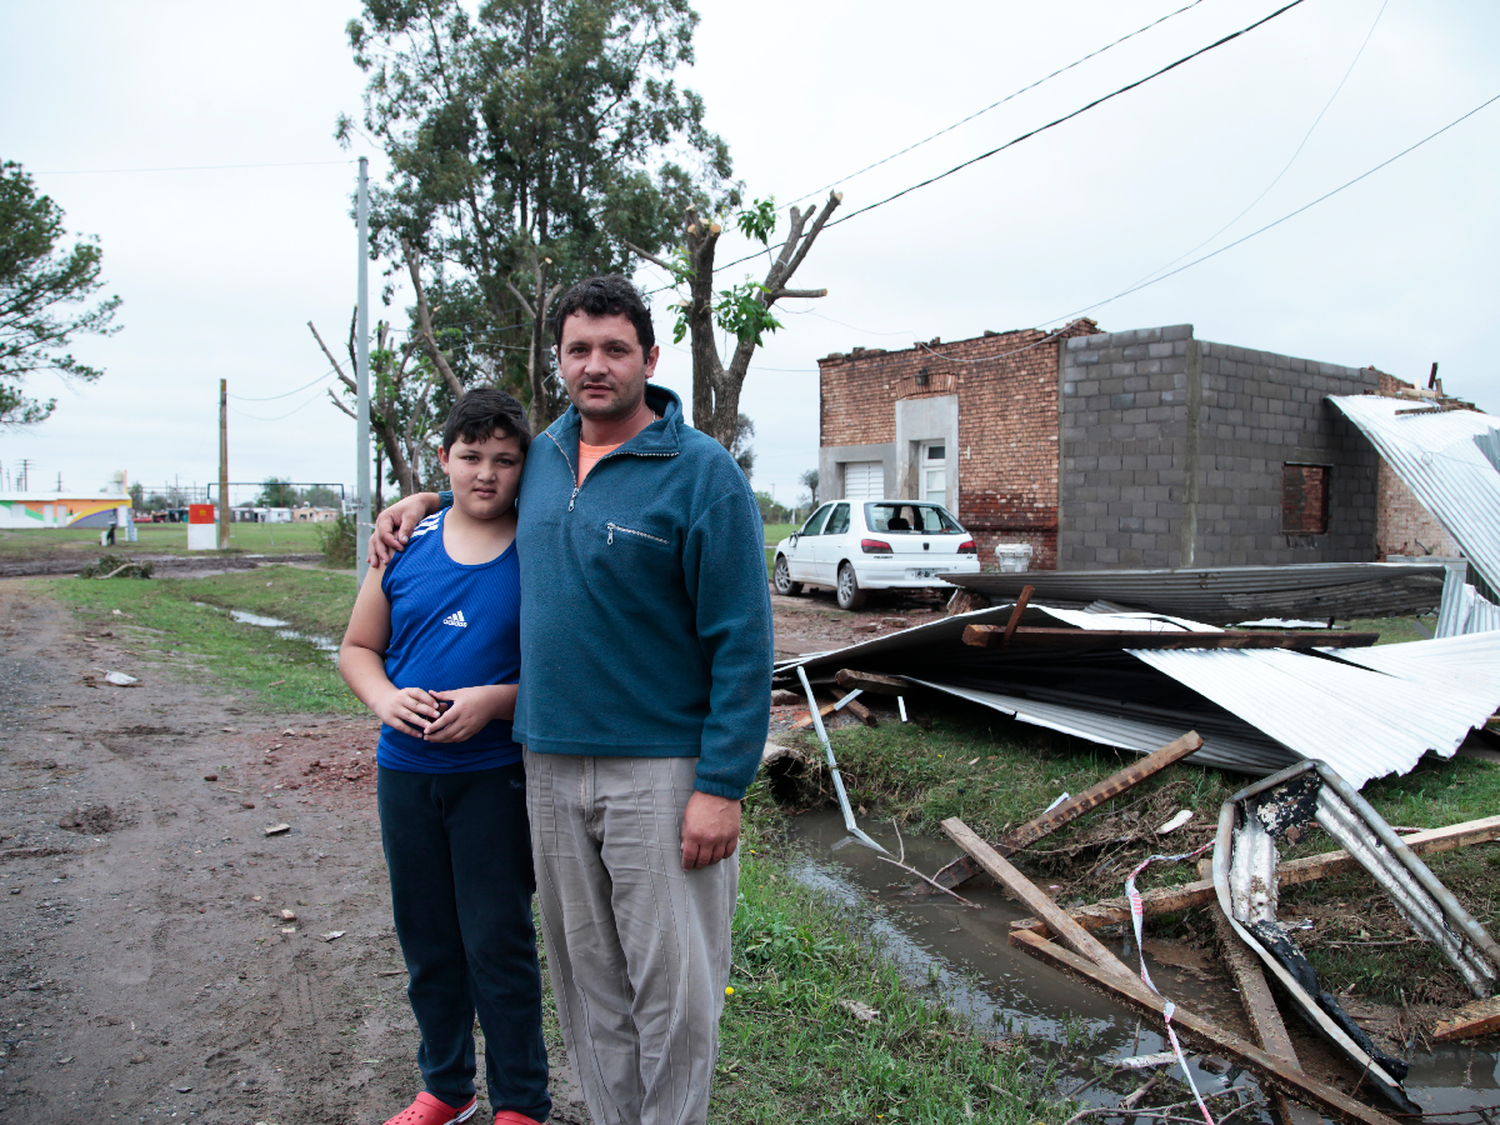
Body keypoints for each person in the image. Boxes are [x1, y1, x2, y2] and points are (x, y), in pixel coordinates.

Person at [373, 275, 773, 1125]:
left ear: (650, 358)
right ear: (559, 359)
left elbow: (743, 640)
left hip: (662, 771)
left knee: (675, 990)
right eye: (579, 349)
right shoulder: (545, 458)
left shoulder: (702, 475)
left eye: (614, 349)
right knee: (589, 982)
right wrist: (417, 504)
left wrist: (722, 784)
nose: (596, 366)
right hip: (547, 768)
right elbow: (477, 492)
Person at [341, 388, 550, 1125]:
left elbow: (564, 678)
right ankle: (447, 1087)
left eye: (504, 459)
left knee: (497, 941)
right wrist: (384, 700)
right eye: (469, 457)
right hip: (406, 778)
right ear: (444, 460)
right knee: (427, 938)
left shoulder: (542, 548)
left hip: (494, 779)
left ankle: (521, 1100)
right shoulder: (405, 544)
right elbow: (359, 648)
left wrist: (494, 701)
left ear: (527, 466)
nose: (486, 473)